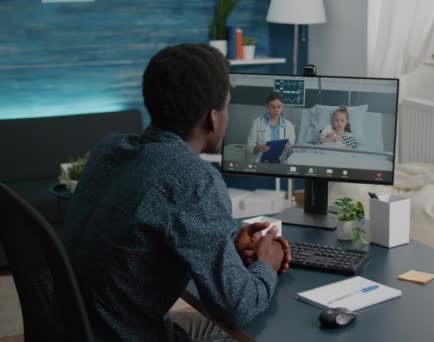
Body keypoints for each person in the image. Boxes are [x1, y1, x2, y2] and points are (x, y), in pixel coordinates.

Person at [59, 44, 291, 342]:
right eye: (228, 105)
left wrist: (228, 240)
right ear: (213, 118)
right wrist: (266, 265)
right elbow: (237, 307)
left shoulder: (109, 149)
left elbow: (152, 231)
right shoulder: (193, 180)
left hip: (83, 329)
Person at [246, 92, 296, 162]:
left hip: (280, 163)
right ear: (267, 106)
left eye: (279, 107)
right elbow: (249, 147)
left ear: (282, 106)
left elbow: (292, 148)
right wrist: (258, 148)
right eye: (273, 107)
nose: (276, 110)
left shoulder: (289, 126)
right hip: (261, 163)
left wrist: (289, 148)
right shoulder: (257, 123)